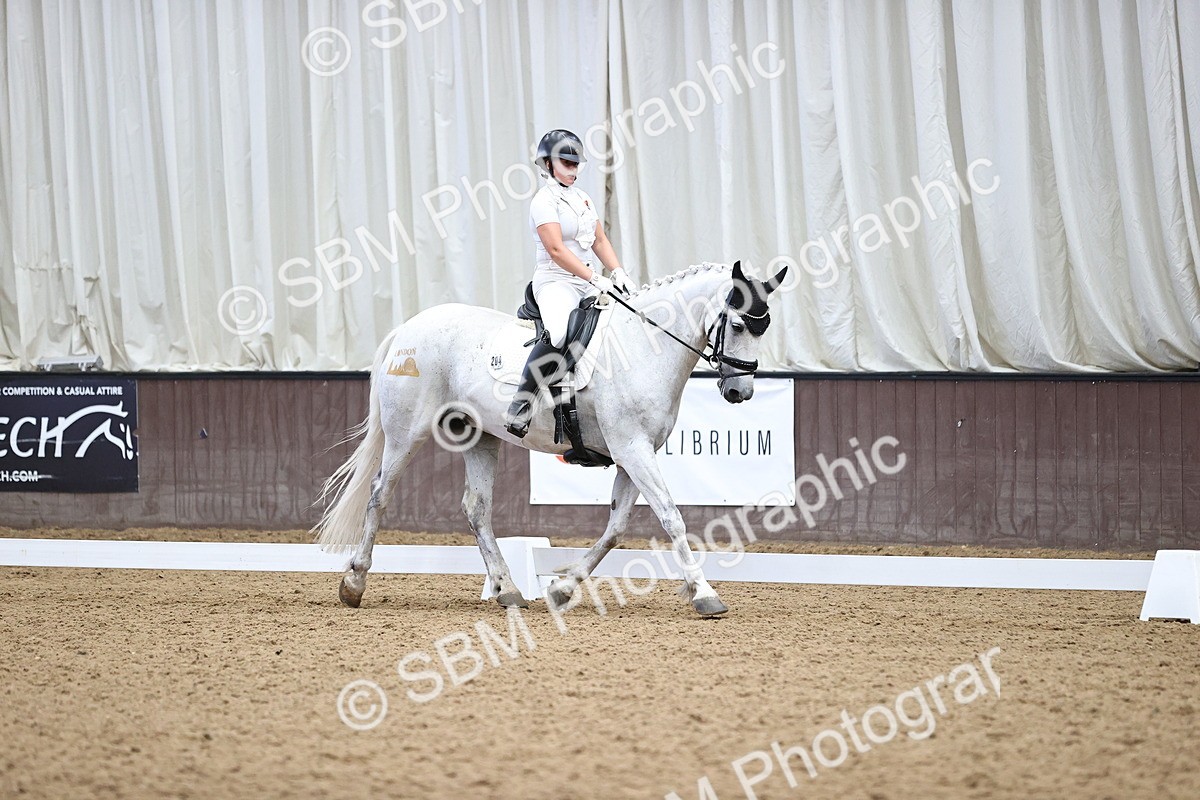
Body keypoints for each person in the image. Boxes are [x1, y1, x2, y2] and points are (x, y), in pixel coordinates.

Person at [504, 129, 635, 438]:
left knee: (624, 318)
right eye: (566, 163)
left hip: (589, 278)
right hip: (556, 280)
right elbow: (556, 250)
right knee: (560, 332)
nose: (572, 170)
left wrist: (618, 272)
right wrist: (594, 278)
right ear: (548, 164)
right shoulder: (544, 201)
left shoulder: (583, 198)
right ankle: (521, 403)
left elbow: (599, 239)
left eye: (576, 164)